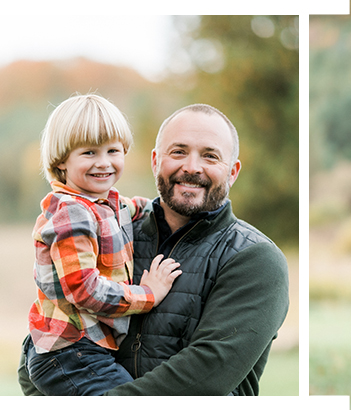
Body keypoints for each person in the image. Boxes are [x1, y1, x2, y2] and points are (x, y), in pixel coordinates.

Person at [19, 103, 290, 396]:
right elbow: (39, 360)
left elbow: (206, 377)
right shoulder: (115, 232)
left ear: (233, 172)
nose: (192, 167)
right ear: (155, 161)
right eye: (178, 152)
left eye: (210, 156)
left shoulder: (255, 259)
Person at [23, 94, 183, 396]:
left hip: (88, 350)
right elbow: (84, 289)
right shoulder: (71, 213)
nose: (104, 162)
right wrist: (148, 295)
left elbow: (137, 207)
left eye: (113, 150)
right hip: (70, 354)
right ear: (60, 161)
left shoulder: (105, 203)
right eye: (88, 153)